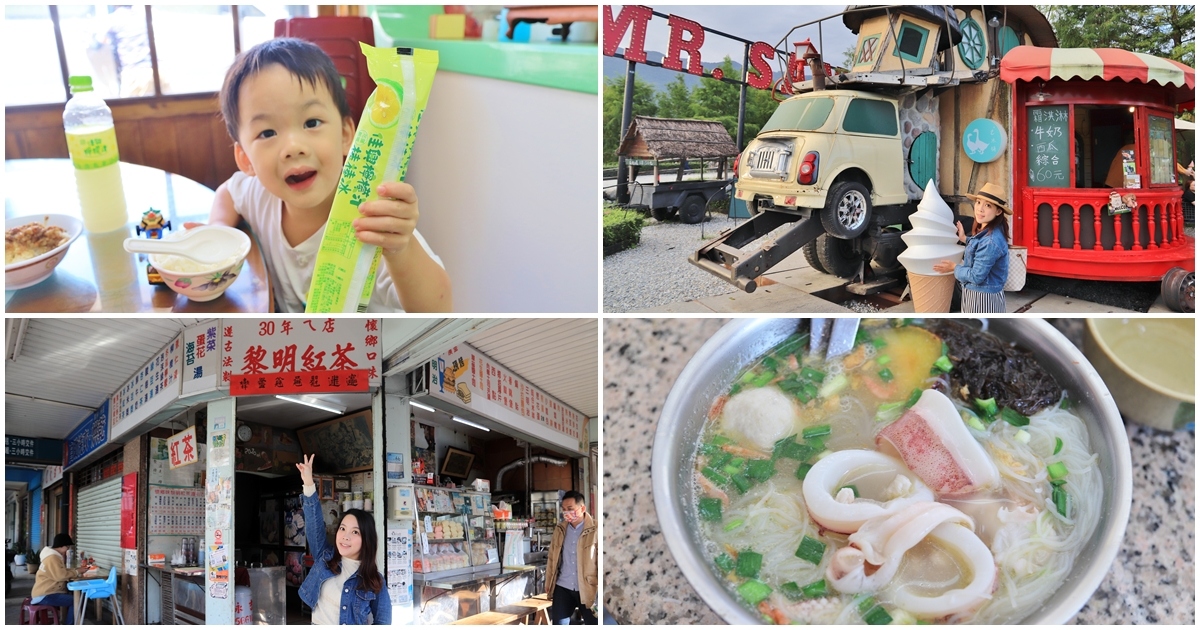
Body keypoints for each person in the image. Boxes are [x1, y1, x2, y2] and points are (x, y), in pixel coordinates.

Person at [207, 38, 452, 313]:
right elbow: (228, 192)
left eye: (311, 123)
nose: (293, 147)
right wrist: (218, 232)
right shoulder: (260, 195)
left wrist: (400, 249)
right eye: (267, 133)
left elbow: (438, 307)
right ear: (245, 159)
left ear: (347, 135)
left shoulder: (372, 221)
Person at [296, 453, 391, 624]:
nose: (345, 536)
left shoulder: (375, 581)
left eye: (355, 532)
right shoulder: (325, 557)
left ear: (366, 540)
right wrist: (309, 483)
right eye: (342, 528)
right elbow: (314, 523)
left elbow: (384, 621)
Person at [933, 182, 1009, 313]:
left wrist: (954, 267)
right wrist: (964, 239)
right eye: (978, 202)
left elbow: (976, 276)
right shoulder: (989, 232)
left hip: (983, 299)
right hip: (980, 295)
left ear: (998, 211)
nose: (980, 209)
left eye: (988, 205)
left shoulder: (991, 241)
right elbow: (981, 248)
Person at [544, 490, 598, 625]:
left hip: (588, 587)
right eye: (564, 509)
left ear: (582, 508)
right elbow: (552, 558)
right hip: (563, 587)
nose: (566, 512)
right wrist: (549, 581)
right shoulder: (560, 530)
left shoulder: (596, 529)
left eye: (570, 509)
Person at [30, 534, 94, 624]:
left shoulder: (51, 556)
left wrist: (76, 570)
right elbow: (61, 576)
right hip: (45, 594)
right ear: (62, 546)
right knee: (76, 601)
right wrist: (77, 572)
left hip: (45, 592)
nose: (67, 549)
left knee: (73, 597)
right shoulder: (52, 558)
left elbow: (61, 571)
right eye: (67, 547)